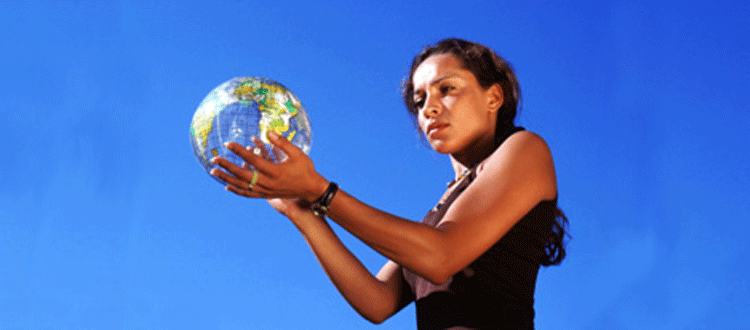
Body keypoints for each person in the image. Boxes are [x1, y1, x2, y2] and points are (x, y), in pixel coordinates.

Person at [210, 38, 568, 329]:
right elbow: (377, 301)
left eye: (446, 88)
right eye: (419, 100)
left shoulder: (525, 149)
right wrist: (302, 211)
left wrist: (318, 190)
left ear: (493, 97)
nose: (428, 108)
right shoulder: (442, 211)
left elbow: (440, 256)